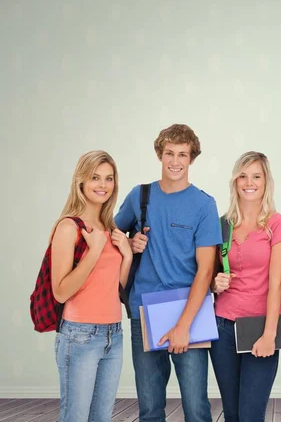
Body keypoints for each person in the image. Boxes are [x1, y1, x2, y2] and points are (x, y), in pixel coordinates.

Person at [115, 124, 221, 422]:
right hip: (144, 310)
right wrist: (129, 242)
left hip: (190, 310)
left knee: (196, 407)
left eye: (183, 155)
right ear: (160, 155)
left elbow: (205, 271)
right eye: (170, 153)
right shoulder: (141, 196)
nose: (175, 161)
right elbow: (111, 232)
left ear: (191, 159)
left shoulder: (204, 204)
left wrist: (184, 325)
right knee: (149, 408)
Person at [210, 151, 281, 422]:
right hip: (222, 324)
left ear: (266, 181)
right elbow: (212, 274)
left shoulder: (278, 224)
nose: (249, 182)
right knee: (232, 413)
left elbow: (277, 282)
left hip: (260, 325)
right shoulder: (224, 224)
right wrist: (215, 284)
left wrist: (269, 334)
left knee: (250, 415)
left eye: (256, 176)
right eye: (243, 176)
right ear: (235, 182)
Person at [52, 150, 132, 422]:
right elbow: (60, 291)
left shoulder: (110, 227)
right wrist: (94, 251)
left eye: (109, 178)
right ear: (81, 182)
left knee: (102, 418)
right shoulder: (68, 227)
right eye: (95, 177)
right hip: (79, 335)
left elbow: (117, 288)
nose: (103, 185)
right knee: (75, 418)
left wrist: (128, 255)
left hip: (114, 334)